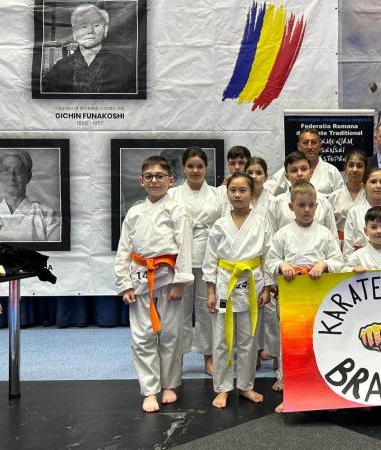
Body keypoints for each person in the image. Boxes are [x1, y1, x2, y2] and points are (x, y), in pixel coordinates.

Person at [114, 155, 194, 413]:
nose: (154, 181)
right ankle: (149, 389)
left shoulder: (177, 210)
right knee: (142, 337)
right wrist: (124, 284)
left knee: (171, 335)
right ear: (141, 181)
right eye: (149, 177)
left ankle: (169, 384)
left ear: (171, 180)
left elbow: (185, 247)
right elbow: (124, 250)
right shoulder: (134, 213)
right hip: (140, 279)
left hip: (169, 279)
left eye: (160, 176)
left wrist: (181, 281)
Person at [266, 181, 344, 413]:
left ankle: (324, 391)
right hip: (292, 296)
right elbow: (269, 261)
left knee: (321, 342)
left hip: (320, 296)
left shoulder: (325, 234)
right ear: (291, 207)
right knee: (291, 344)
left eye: (311, 205)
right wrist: (282, 265)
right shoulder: (282, 234)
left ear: (317, 206)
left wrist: (325, 264)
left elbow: (339, 260)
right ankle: (290, 391)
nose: (307, 210)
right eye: (301, 205)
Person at [202, 173, 273, 409]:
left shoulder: (261, 222)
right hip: (224, 284)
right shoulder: (220, 225)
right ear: (227, 193)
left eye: (243, 190)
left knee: (248, 340)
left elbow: (267, 256)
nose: (237, 195)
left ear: (252, 193)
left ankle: (246, 386)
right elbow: (210, 260)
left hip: (252, 283)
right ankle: (222, 388)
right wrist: (210, 291)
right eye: (233, 190)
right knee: (221, 340)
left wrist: (267, 288)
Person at [167, 147, 221, 375]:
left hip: (209, 253)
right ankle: (176, 356)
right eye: (190, 166)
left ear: (206, 168)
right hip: (181, 255)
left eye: (200, 166)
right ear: (183, 168)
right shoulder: (173, 194)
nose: (195, 170)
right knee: (179, 310)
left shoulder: (218, 194)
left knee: (207, 308)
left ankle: (209, 356)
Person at [44, 3, 136, 93]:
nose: (90, 31)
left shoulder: (122, 66)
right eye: (83, 26)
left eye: (96, 25)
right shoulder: (59, 69)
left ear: (105, 30)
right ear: (74, 33)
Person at [0, 149, 61, 242]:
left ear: (28, 176)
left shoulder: (48, 216)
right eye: (6, 170)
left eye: (18, 171)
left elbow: (56, 250)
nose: (12, 177)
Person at [244, 157, 278, 367]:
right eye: (250, 172)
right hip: (246, 259)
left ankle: (275, 353)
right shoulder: (239, 198)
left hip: (270, 255)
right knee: (250, 308)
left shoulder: (273, 201)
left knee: (272, 308)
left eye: (259, 173)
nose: (254, 176)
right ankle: (253, 352)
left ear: (266, 176)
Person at [268, 152, 337, 235]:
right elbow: (271, 237)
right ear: (287, 176)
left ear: (311, 173)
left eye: (304, 169)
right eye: (294, 170)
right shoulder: (276, 203)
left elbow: (332, 236)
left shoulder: (323, 202)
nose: (299, 174)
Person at [264, 129, 344, 196]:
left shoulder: (332, 172)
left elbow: (340, 200)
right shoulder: (287, 171)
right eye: (305, 143)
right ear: (299, 146)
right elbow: (266, 190)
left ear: (320, 146)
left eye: (313, 142)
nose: (309, 147)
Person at [343, 167, 381, 259]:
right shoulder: (355, 211)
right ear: (364, 186)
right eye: (373, 182)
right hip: (361, 262)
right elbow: (348, 246)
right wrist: (352, 264)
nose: (378, 186)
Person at [328, 149, 367, 242]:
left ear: (365, 170)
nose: (355, 169)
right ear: (345, 168)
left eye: (359, 166)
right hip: (339, 242)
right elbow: (328, 225)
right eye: (351, 165)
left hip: (364, 243)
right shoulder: (334, 196)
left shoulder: (370, 196)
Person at [219, 146, 251, 215]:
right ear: (228, 165)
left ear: (249, 164)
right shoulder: (221, 191)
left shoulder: (258, 188)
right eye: (232, 163)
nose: (237, 167)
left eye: (241, 163)